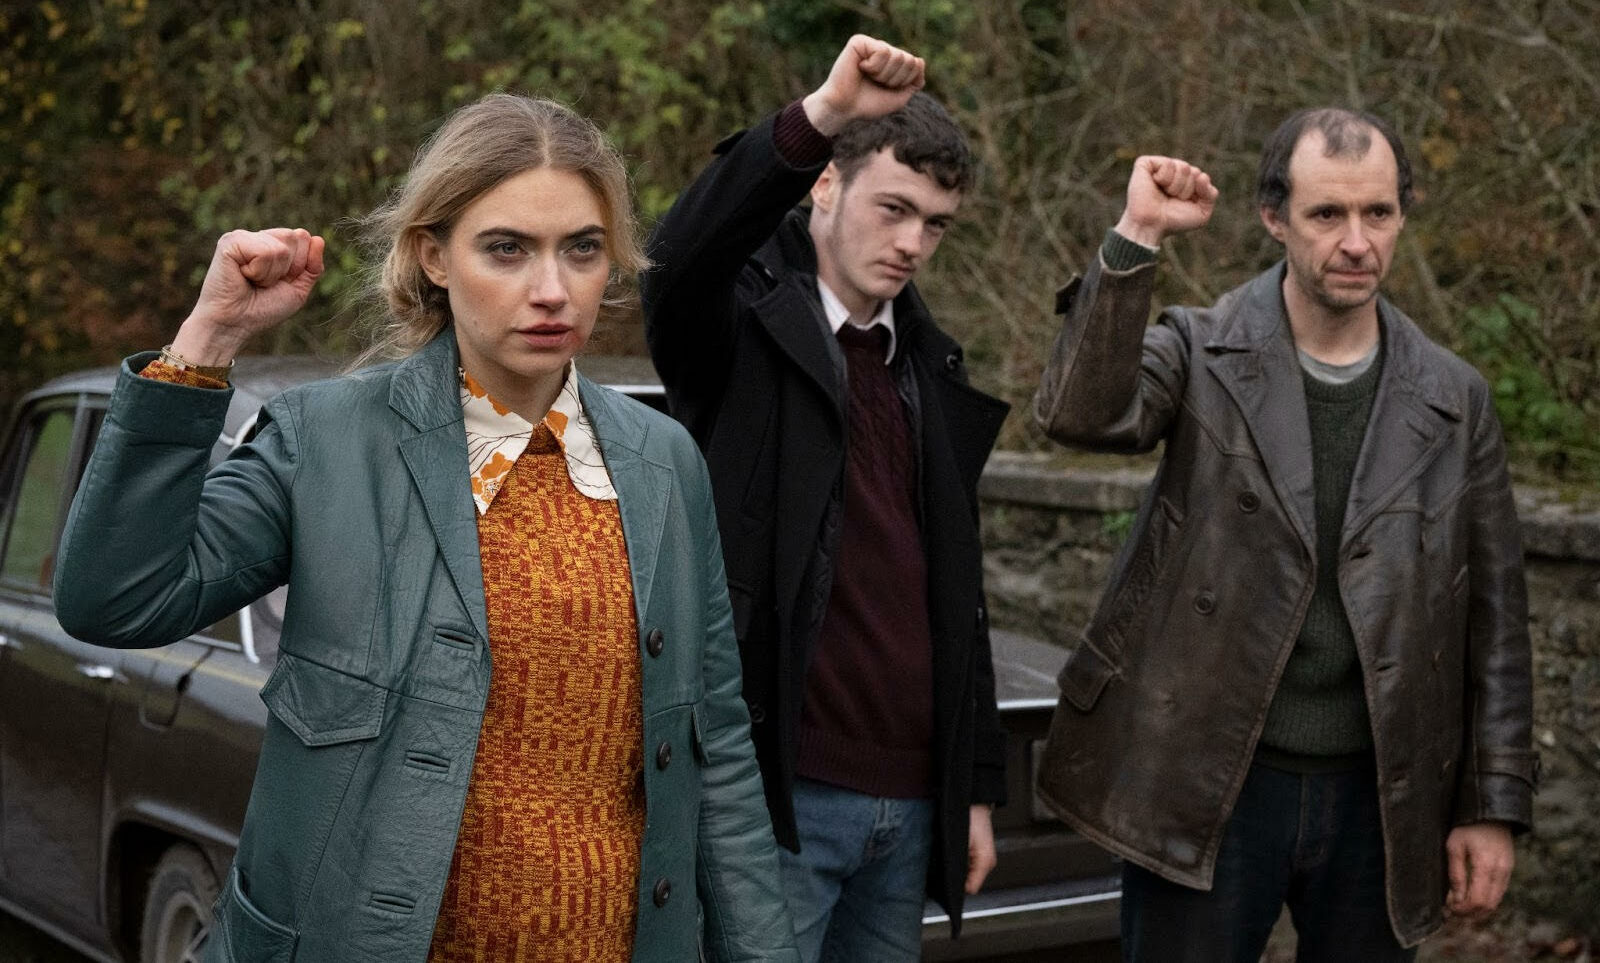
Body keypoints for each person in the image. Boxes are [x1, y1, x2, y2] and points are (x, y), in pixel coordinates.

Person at [52, 93, 797, 963]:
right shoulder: (328, 441)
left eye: (582, 249)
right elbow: (115, 599)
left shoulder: (663, 460)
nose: (552, 290)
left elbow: (717, 750)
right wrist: (208, 338)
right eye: (507, 248)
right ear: (433, 255)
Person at [1030, 107, 1537, 960]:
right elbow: (1080, 414)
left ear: (1402, 215)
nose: (1357, 242)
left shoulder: (1454, 399)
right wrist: (1137, 235)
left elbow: (1495, 621)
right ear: (1274, 217)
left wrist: (1492, 804)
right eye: (1327, 213)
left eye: (1378, 213)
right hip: (1204, 779)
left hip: (1382, 795)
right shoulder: (1201, 350)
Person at [641, 34, 1009, 961]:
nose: (913, 243)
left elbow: (956, 592)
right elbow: (677, 258)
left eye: (935, 224)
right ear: (827, 186)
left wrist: (972, 785)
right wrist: (824, 117)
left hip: (910, 811)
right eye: (895, 209)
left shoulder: (930, 367)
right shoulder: (740, 334)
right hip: (777, 800)